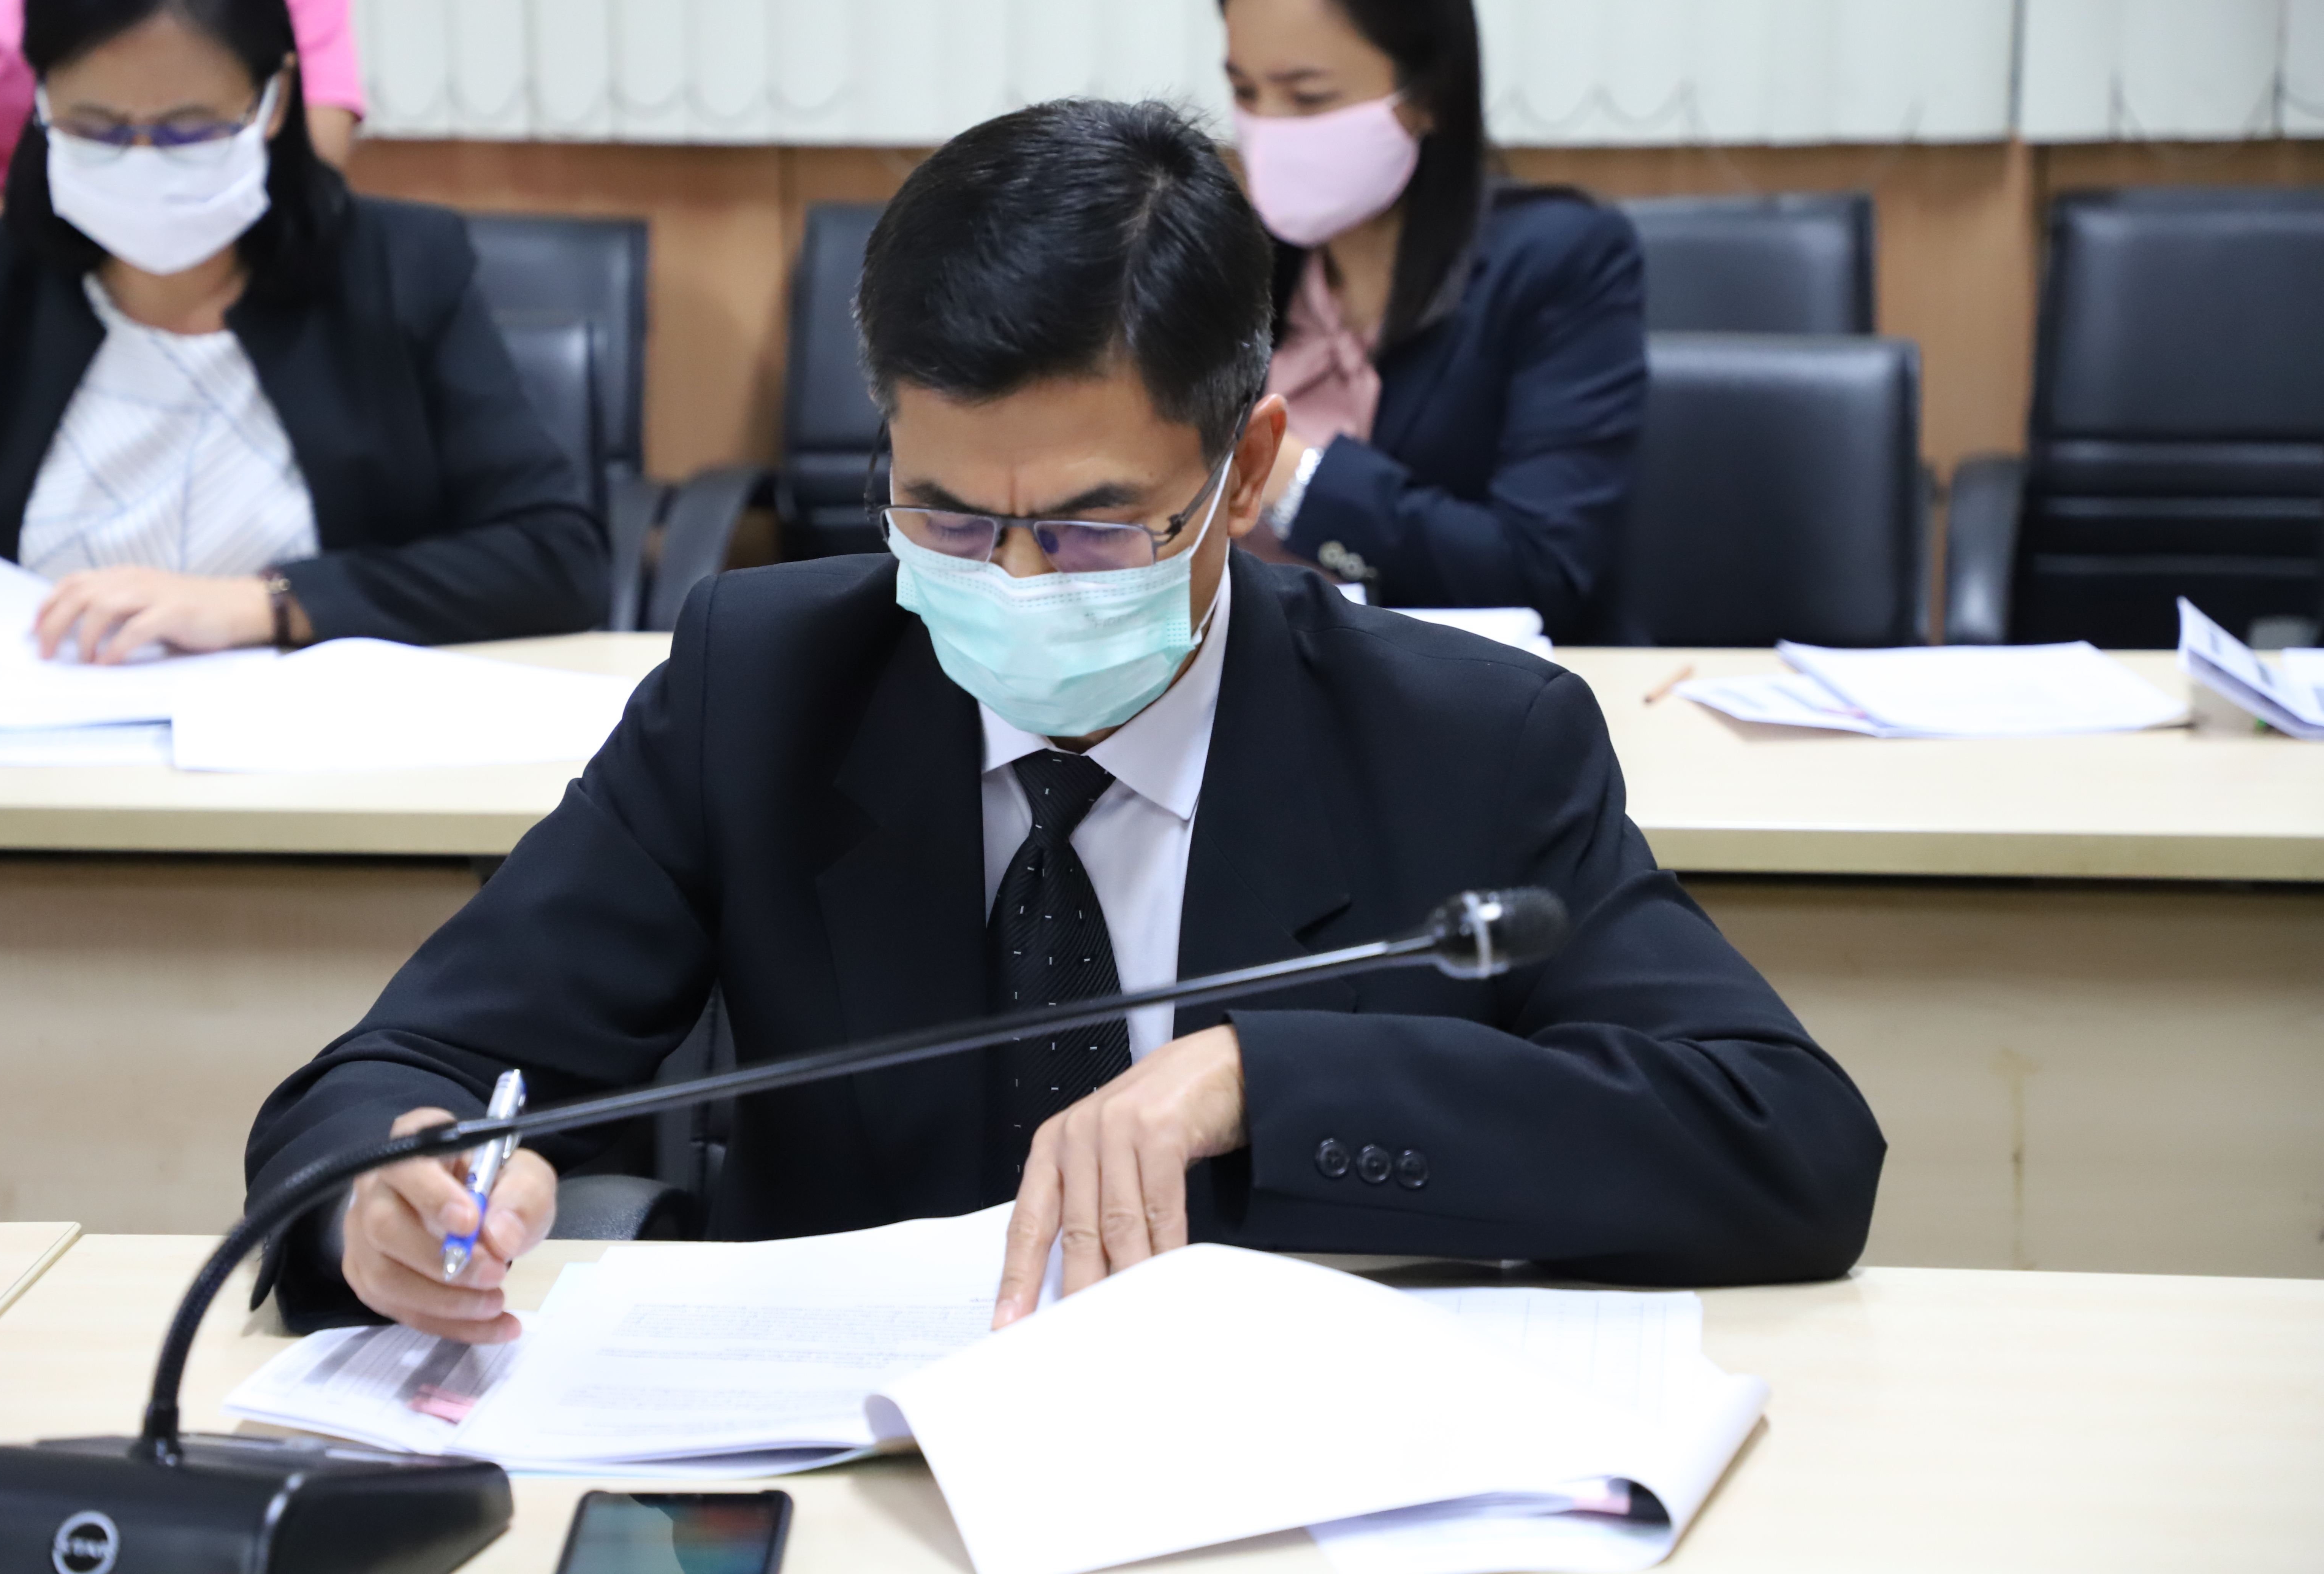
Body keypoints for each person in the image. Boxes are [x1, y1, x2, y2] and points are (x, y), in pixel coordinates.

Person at [245, 98, 1881, 1344]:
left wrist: (1268, 1077)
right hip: (853, 1472)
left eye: (1094, 528)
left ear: (1246, 470)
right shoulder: (768, 687)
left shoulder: (1465, 739)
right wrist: (390, 1189)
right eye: (949, 517)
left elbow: (1789, 1145)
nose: (1015, 580)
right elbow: (397, 1069)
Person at [0, 0, 605, 658]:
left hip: (319, 716)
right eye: (96, 129)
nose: (142, 158)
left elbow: (557, 559)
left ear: (275, 99)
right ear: (42, 99)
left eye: (189, 129)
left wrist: (268, 604)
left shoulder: (401, 269)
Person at [1222, 0, 1645, 639]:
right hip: (1247, 660)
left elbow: (1542, 571)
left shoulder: (1561, 258)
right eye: (1245, 92)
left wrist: (1291, 475)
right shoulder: (1232, 254)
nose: (1268, 130)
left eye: (1308, 97)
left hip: (1460, 673)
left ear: (1428, 93)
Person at [0, 0, 360, 223]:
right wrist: (34, 246)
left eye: (190, 122)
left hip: (236, 233)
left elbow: (314, 145)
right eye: (93, 122)